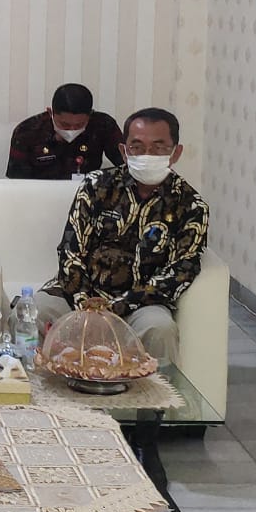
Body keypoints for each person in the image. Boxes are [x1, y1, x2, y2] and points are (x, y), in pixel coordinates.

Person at [34, 108, 209, 363]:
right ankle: (40, 388)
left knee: (160, 329)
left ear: (176, 152)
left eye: (158, 147)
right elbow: (71, 250)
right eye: (137, 147)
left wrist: (117, 308)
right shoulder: (96, 186)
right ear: (124, 150)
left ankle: (151, 391)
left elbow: (181, 271)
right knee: (35, 311)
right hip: (80, 294)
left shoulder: (191, 205)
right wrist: (86, 305)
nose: (147, 155)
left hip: (142, 304)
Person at [6, 83, 124, 180]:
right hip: (40, 195)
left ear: (90, 115)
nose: (72, 130)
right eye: (64, 125)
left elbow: (126, 165)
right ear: (50, 113)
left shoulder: (103, 125)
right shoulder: (27, 131)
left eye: (79, 125)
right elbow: (16, 182)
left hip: (88, 194)